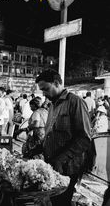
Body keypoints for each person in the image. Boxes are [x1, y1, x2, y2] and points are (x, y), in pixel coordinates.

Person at [36, 69, 91, 206]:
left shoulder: (75, 102)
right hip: (52, 166)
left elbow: (84, 138)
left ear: (56, 83)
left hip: (68, 168)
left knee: (61, 202)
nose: (44, 94)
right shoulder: (52, 106)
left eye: (46, 89)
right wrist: (39, 148)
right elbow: (52, 134)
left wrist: (61, 158)